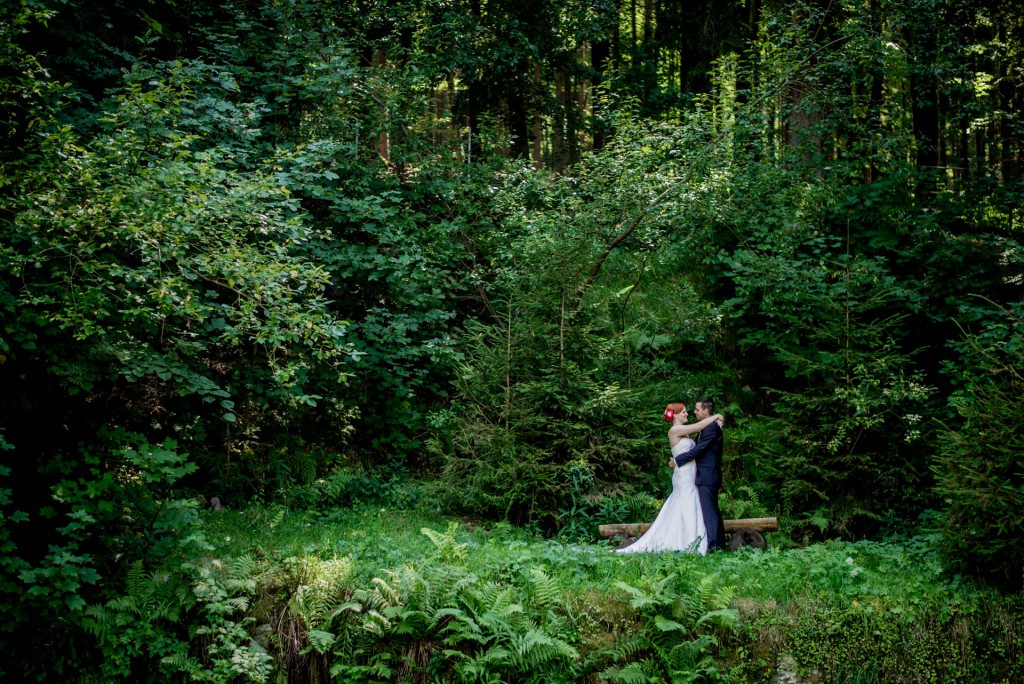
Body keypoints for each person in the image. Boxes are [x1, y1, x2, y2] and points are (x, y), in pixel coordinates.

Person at [617, 402, 724, 554]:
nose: (688, 414)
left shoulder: (684, 432)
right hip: (684, 476)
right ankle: (684, 540)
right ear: (675, 415)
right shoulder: (676, 429)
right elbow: (700, 426)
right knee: (685, 503)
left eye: (689, 411)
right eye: (684, 412)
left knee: (691, 505)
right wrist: (717, 416)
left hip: (691, 474)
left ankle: (694, 538)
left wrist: (676, 460)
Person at [672, 397, 726, 552]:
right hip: (703, 475)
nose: (694, 412)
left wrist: (678, 460)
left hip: (708, 475)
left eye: (697, 409)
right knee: (710, 511)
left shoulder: (711, 428)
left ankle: (715, 546)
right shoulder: (707, 427)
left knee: (710, 512)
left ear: (706, 411)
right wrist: (719, 416)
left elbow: (698, 450)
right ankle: (716, 544)